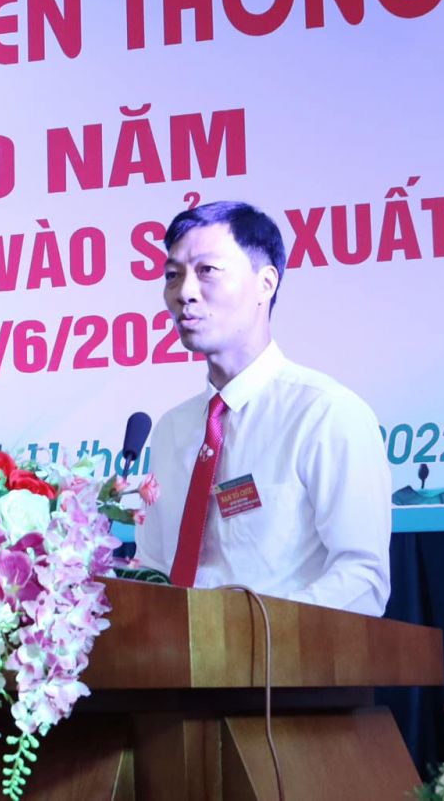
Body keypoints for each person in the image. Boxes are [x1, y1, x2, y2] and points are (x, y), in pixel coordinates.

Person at [135, 201, 391, 616]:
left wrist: (251, 631)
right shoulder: (172, 429)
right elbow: (153, 571)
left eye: (207, 270)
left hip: (284, 653)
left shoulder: (325, 413)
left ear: (265, 283)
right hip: (178, 656)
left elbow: (363, 580)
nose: (184, 292)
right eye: (172, 275)